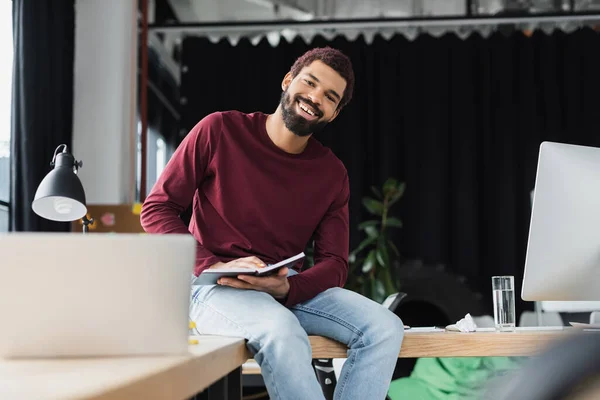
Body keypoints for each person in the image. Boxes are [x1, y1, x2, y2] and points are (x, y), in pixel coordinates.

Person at [140, 46, 404, 400]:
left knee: (384, 327)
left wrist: (286, 290)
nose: (314, 98)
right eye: (309, 83)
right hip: (212, 283)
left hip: (283, 287)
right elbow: (157, 209)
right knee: (282, 330)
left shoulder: (331, 173)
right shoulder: (218, 130)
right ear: (287, 81)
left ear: (335, 113)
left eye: (329, 97)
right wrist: (212, 264)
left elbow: (335, 264)